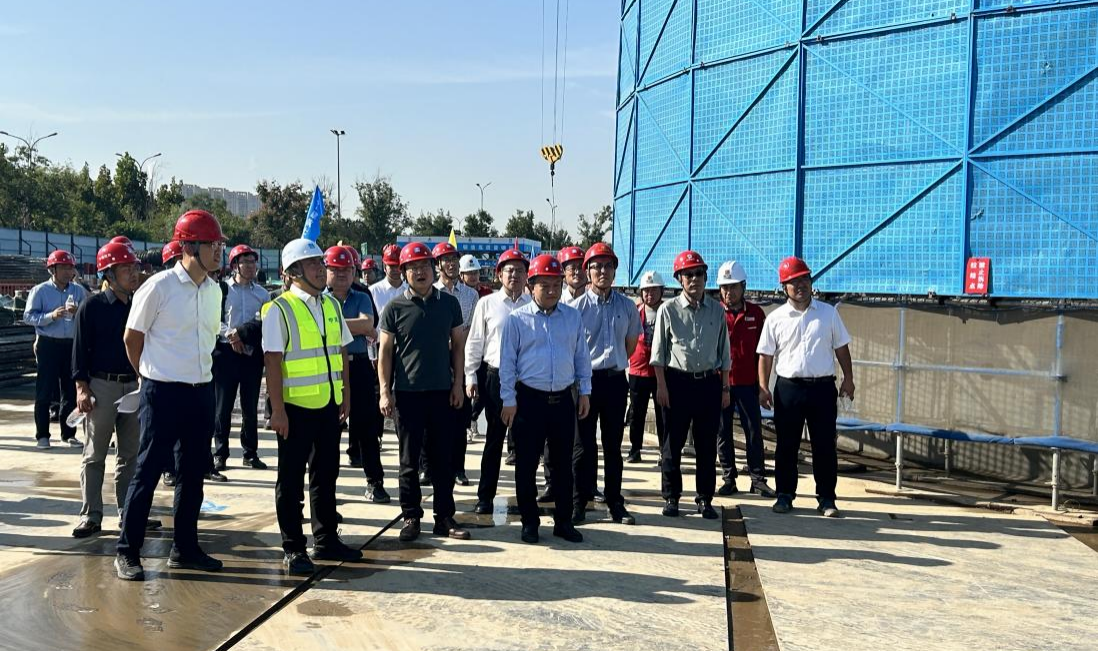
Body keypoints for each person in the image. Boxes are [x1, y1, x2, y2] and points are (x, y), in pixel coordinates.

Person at [115, 210, 226, 581]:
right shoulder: (158, 287)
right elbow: (132, 338)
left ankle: (185, 549)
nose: (219, 251)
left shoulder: (214, 291)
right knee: (147, 472)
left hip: (201, 392)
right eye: (212, 245)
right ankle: (127, 551)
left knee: (193, 474)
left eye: (220, 244)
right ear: (189, 247)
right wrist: (147, 376)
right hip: (162, 393)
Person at [263, 238, 362, 575]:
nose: (322, 269)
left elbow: (341, 352)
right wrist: (277, 410)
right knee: (290, 481)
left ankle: (326, 539)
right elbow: (272, 362)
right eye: (313, 264)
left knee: (326, 475)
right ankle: (293, 548)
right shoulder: (279, 309)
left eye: (321, 263)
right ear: (293, 272)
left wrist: (345, 394)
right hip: (294, 409)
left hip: (329, 405)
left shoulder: (330, 304)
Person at [378, 242, 470, 543]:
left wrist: (458, 384)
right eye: (413, 267)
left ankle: (444, 517)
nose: (420, 272)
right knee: (409, 461)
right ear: (404, 272)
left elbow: (458, 347)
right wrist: (385, 391)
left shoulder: (449, 304)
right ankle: (411, 516)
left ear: (434, 269)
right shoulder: (394, 308)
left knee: (443, 459)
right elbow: (385, 353)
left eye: (425, 266)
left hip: (442, 392)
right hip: (408, 394)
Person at [499, 254, 589, 544]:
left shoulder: (572, 317)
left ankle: (563, 521)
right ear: (531, 286)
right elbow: (507, 364)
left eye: (556, 285)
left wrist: (584, 391)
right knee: (526, 465)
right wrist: (508, 399)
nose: (551, 291)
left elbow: (581, 357)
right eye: (544, 285)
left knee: (563, 465)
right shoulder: (517, 320)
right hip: (529, 401)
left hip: (562, 399)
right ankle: (530, 522)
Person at [758, 257, 854, 518]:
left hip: (822, 389)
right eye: (793, 282)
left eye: (804, 279)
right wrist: (763, 386)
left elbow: (841, 348)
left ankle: (826, 498)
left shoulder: (828, 313)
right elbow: (765, 355)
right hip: (789, 389)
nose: (800, 285)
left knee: (824, 445)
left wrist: (848, 378)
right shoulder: (775, 318)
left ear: (811, 282)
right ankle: (784, 494)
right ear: (784, 287)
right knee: (786, 445)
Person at [71, 243, 156, 538]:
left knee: (130, 455)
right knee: (95, 454)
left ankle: (129, 513)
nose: (133, 273)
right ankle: (91, 514)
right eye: (125, 268)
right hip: (102, 386)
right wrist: (82, 389)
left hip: (133, 385)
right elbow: (79, 350)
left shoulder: (138, 305)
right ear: (108, 274)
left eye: (134, 267)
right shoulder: (92, 306)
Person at [650, 250, 730, 520]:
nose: (694, 279)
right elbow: (659, 354)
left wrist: (725, 388)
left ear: (706, 277)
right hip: (677, 383)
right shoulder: (668, 310)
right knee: (672, 444)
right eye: (688, 275)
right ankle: (671, 497)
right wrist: (661, 386)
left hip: (708, 383)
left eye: (698, 274)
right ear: (679, 279)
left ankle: (705, 498)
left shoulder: (717, 311)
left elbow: (724, 354)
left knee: (706, 446)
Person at [567, 243, 641, 526]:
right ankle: (578, 502)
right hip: (585, 383)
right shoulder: (575, 309)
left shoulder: (627, 306)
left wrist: (614, 363)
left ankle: (614, 502)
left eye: (608, 265)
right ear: (587, 271)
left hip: (615, 382)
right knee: (582, 447)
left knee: (613, 446)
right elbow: (572, 349)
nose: (602, 271)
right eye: (596, 266)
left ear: (615, 270)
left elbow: (630, 346)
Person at [465, 248, 531, 514]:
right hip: (495, 377)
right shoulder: (487, 304)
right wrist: (471, 375)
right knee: (494, 440)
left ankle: (526, 499)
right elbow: (475, 342)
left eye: (520, 270)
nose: (514, 275)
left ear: (527, 275)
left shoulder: (532, 304)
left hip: (525, 381)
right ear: (499, 274)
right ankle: (485, 497)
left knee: (525, 444)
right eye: (509, 270)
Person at [325, 246, 388, 504]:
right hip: (329, 368)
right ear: (326, 271)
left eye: (347, 269)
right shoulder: (319, 299)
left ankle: (375, 483)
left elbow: (368, 324)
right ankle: (326, 490)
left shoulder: (362, 296)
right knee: (328, 433)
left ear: (354, 271)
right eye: (335, 269)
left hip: (359, 366)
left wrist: (331, 324)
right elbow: (361, 326)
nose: (342, 274)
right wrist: (356, 327)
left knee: (367, 428)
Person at [715, 261, 777, 498]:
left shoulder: (756, 314)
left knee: (753, 431)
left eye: (733, 287)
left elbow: (764, 353)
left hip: (748, 384)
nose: (728, 292)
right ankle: (729, 478)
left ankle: (758, 479)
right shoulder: (713, 313)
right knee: (723, 432)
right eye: (724, 287)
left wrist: (763, 386)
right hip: (721, 384)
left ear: (743, 287)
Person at [426, 242, 479, 487]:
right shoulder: (429, 291)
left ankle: (458, 468)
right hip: (435, 358)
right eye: (446, 260)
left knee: (460, 417)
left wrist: (457, 339)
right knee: (431, 417)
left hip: (462, 356)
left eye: (455, 260)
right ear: (438, 265)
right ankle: (427, 467)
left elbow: (472, 329)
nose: (452, 264)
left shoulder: (470, 295)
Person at [213, 244, 269, 471]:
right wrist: (231, 335)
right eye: (246, 262)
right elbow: (213, 319)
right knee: (223, 407)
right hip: (226, 353)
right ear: (235, 265)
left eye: (253, 262)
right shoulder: (221, 290)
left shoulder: (262, 294)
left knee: (250, 407)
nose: (251, 266)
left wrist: (243, 336)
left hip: (251, 354)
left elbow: (264, 322)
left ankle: (250, 453)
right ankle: (220, 453)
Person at [24, 249, 87, 449]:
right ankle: (42, 435)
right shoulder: (40, 291)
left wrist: (78, 312)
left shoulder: (78, 291)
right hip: (48, 344)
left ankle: (68, 434)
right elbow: (28, 317)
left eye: (71, 268)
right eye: (64, 268)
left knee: (70, 391)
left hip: (71, 345)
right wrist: (51, 316)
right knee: (45, 391)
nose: (69, 272)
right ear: (53, 269)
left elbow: (89, 314)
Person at [626, 270, 666, 464]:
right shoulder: (634, 311)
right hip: (638, 370)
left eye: (653, 290)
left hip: (661, 372)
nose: (649, 294)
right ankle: (635, 449)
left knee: (663, 414)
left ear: (661, 291)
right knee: (637, 413)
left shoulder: (668, 311)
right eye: (646, 291)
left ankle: (664, 451)